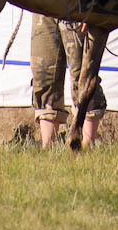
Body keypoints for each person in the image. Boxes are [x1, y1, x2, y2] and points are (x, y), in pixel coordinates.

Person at [30, 15, 107, 148]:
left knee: (83, 75)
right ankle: (48, 148)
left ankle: (87, 146)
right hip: (43, 7)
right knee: (44, 74)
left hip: (77, 5)